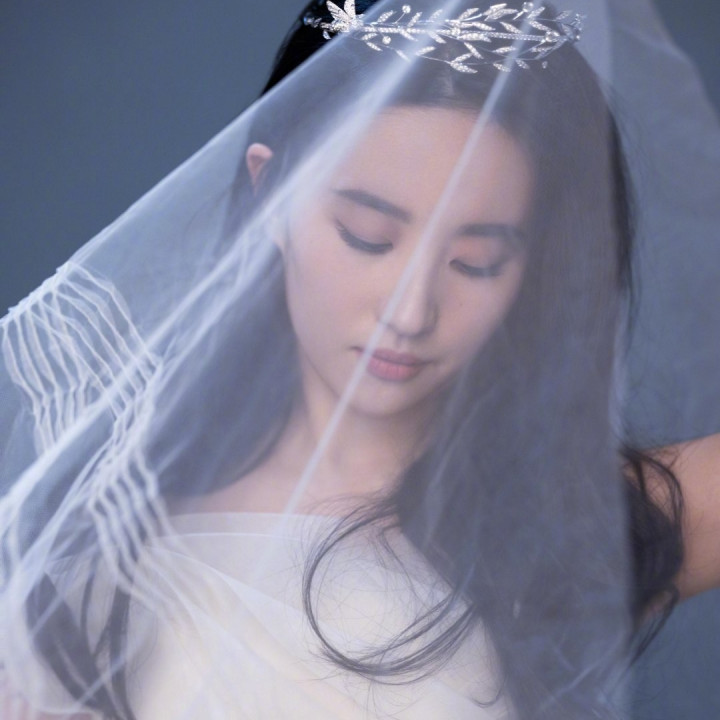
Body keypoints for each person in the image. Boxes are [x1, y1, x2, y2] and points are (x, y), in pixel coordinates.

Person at [1, 1, 719, 718]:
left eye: (476, 261)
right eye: (367, 236)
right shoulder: (97, 566)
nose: (410, 312)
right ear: (271, 193)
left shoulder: (568, 523)